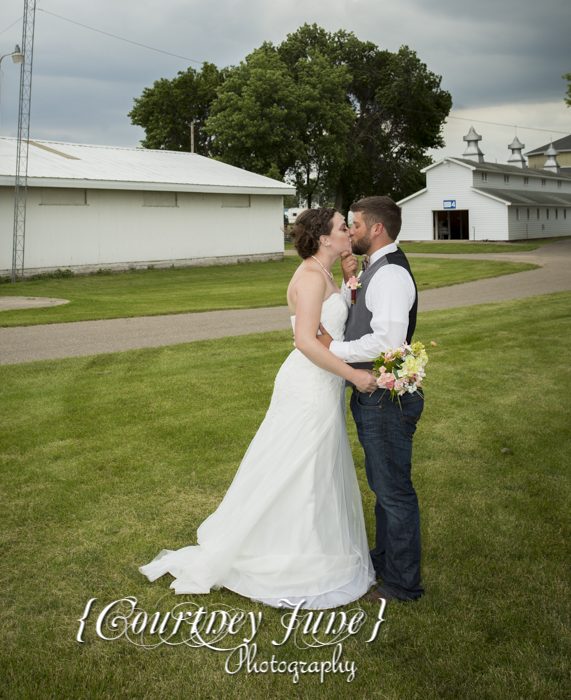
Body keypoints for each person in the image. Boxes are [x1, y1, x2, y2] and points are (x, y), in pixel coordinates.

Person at [139, 207, 378, 608]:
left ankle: (312, 546)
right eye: (341, 228)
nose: (347, 232)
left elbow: (328, 328)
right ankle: (291, 555)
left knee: (313, 467)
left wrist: (352, 280)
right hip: (309, 384)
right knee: (302, 467)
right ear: (323, 238)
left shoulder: (324, 272)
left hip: (322, 381)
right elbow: (305, 340)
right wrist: (354, 376)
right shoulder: (308, 276)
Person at [317, 195, 423, 603]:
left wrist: (330, 350)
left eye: (355, 225)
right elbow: (364, 320)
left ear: (376, 229)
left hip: (385, 399)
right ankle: (384, 562)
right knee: (384, 487)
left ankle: (401, 585)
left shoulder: (391, 275)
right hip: (374, 397)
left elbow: (388, 342)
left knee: (394, 492)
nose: (351, 232)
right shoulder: (373, 268)